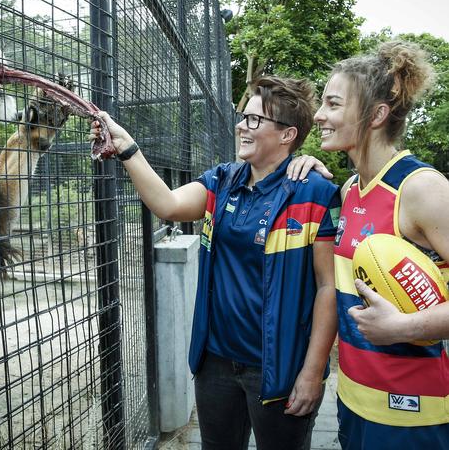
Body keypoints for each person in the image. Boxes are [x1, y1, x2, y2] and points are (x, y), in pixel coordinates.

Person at [90, 76, 340, 450]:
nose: (241, 125)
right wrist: (127, 147)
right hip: (216, 364)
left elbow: (328, 287)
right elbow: (169, 205)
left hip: (279, 369)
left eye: (254, 120)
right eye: (243, 116)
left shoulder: (315, 194)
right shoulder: (221, 181)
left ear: (287, 135)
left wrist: (313, 372)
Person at [314, 40, 449, 448]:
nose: (319, 115)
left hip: (413, 412)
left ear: (376, 115)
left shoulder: (421, 188)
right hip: (355, 398)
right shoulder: (351, 189)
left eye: (333, 104)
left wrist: (407, 327)